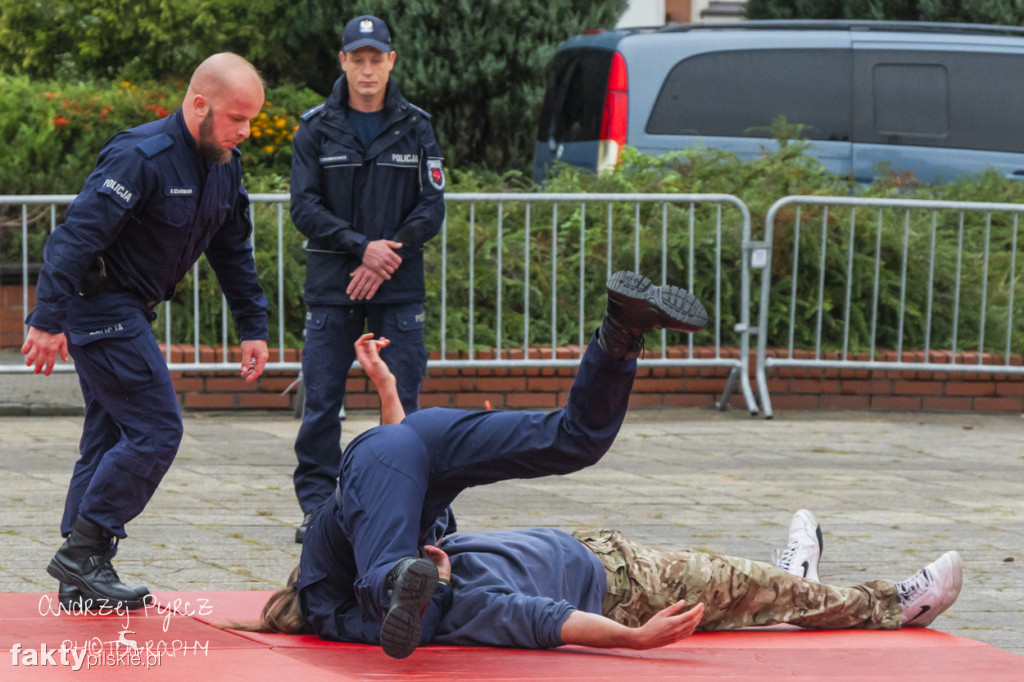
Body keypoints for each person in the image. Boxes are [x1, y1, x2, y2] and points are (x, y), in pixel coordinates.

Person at [279, 271, 707, 658]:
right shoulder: (396, 517)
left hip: (391, 467)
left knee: (382, 577)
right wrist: (386, 387)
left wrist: (434, 584)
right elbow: (394, 454)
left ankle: (393, 579)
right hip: (421, 438)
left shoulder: (322, 601)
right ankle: (621, 332)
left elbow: (408, 627)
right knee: (574, 440)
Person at [21, 53, 271, 611]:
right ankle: (83, 553)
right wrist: (46, 318)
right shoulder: (141, 156)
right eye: (236, 118)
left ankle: (79, 576)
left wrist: (252, 326)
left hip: (132, 307)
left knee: (109, 437)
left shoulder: (225, 164)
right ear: (199, 104)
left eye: (251, 120)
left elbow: (233, 251)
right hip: (100, 305)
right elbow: (75, 239)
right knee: (157, 429)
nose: (245, 132)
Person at [247, 509, 963, 654]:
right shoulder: (462, 606)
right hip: (627, 587)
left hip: (595, 546)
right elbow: (547, 620)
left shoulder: (429, 561)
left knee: (751, 593)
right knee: (739, 584)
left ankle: (791, 578)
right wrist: (636, 638)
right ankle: (891, 606)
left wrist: (385, 388)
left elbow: (387, 487)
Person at [289, 14, 446, 544]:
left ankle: (408, 509)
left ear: (391, 61)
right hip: (334, 288)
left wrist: (384, 259)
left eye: (376, 58)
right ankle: (317, 510)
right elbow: (304, 208)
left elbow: (431, 207)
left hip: (397, 289)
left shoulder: (418, 125)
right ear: (343, 62)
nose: (367, 69)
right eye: (357, 59)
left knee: (403, 402)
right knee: (321, 405)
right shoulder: (314, 128)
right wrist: (362, 249)